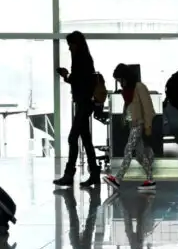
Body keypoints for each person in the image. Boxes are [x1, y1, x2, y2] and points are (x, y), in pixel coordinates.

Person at [54, 31, 101, 188]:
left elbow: (82, 81)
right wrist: (67, 76)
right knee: (86, 140)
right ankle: (94, 173)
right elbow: (81, 80)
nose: (70, 48)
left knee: (72, 138)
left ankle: (69, 174)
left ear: (77, 44)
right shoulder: (84, 58)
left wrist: (68, 76)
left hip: (84, 104)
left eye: (71, 45)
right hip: (84, 104)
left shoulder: (82, 59)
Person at [105, 63, 156, 191]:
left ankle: (118, 179)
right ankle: (150, 180)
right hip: (132, 123)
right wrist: (124, 117)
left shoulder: (139, 87)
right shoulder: (127, 89)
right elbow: (128, 105)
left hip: (139, 123)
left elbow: (148, 107)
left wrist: (148, 125)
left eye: (119, 79)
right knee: (139, 154)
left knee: (128, 149)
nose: (118, 82)